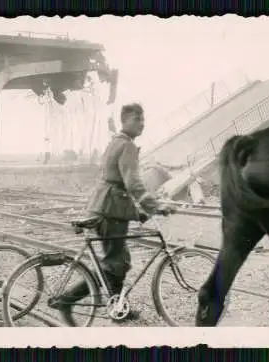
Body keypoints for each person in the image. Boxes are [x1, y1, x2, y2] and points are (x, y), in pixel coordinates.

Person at [48, 103, 174, 325]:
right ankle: (68, 300)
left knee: (119, 261)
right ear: (124, 121)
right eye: (136, 119)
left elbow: (117, 181)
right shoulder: (127, 146)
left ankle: (117, 308)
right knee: (115, 263)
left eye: (143, 119)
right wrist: (154, 207)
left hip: (105, 206)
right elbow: (133, 183)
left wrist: (139, 211)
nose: (141, 123)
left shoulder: (116, 142)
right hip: (110, 211)